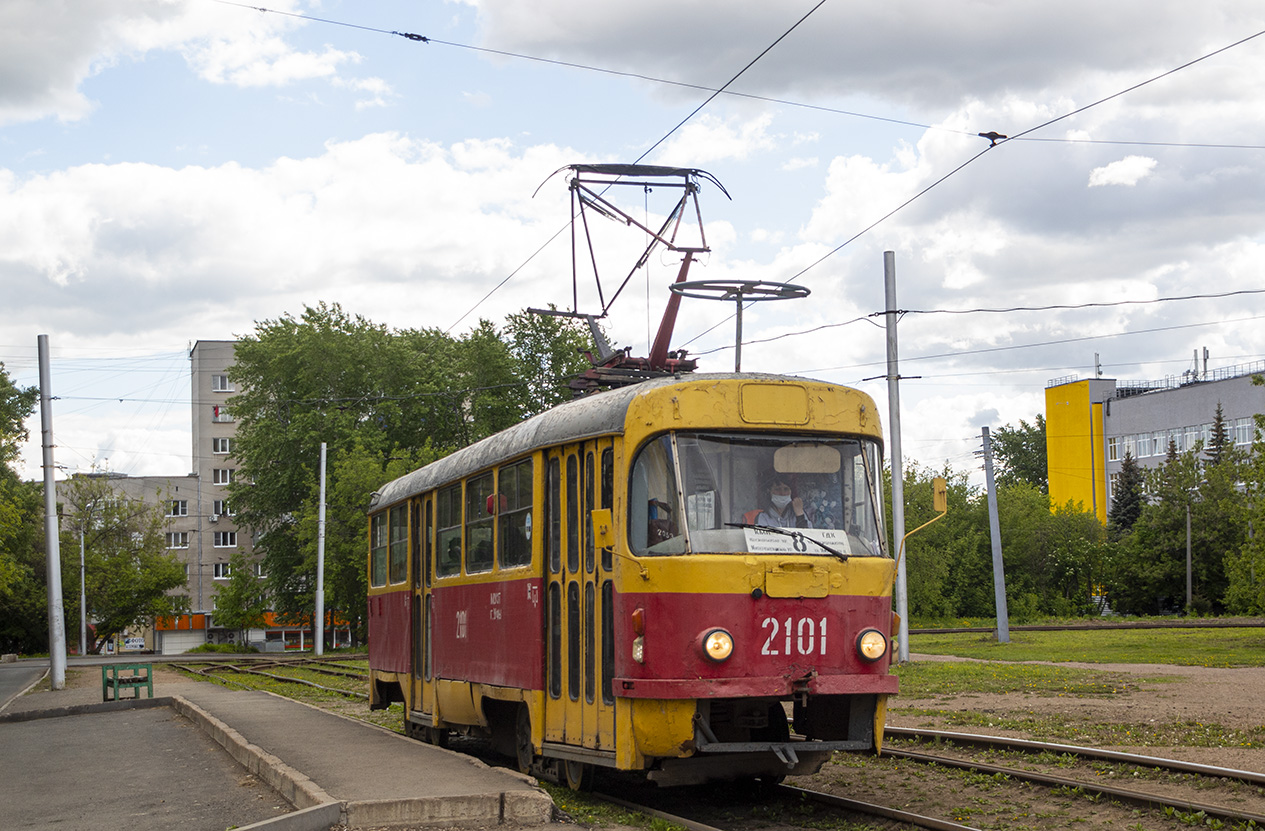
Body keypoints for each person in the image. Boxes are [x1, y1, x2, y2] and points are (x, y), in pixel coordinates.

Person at [747, 476, 812, 528]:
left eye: (786, 489)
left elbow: (807, 538)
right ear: (770, 492)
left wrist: (800, 516)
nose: (782, 493)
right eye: (777, 489)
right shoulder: (763, 517)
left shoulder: (797, 513)